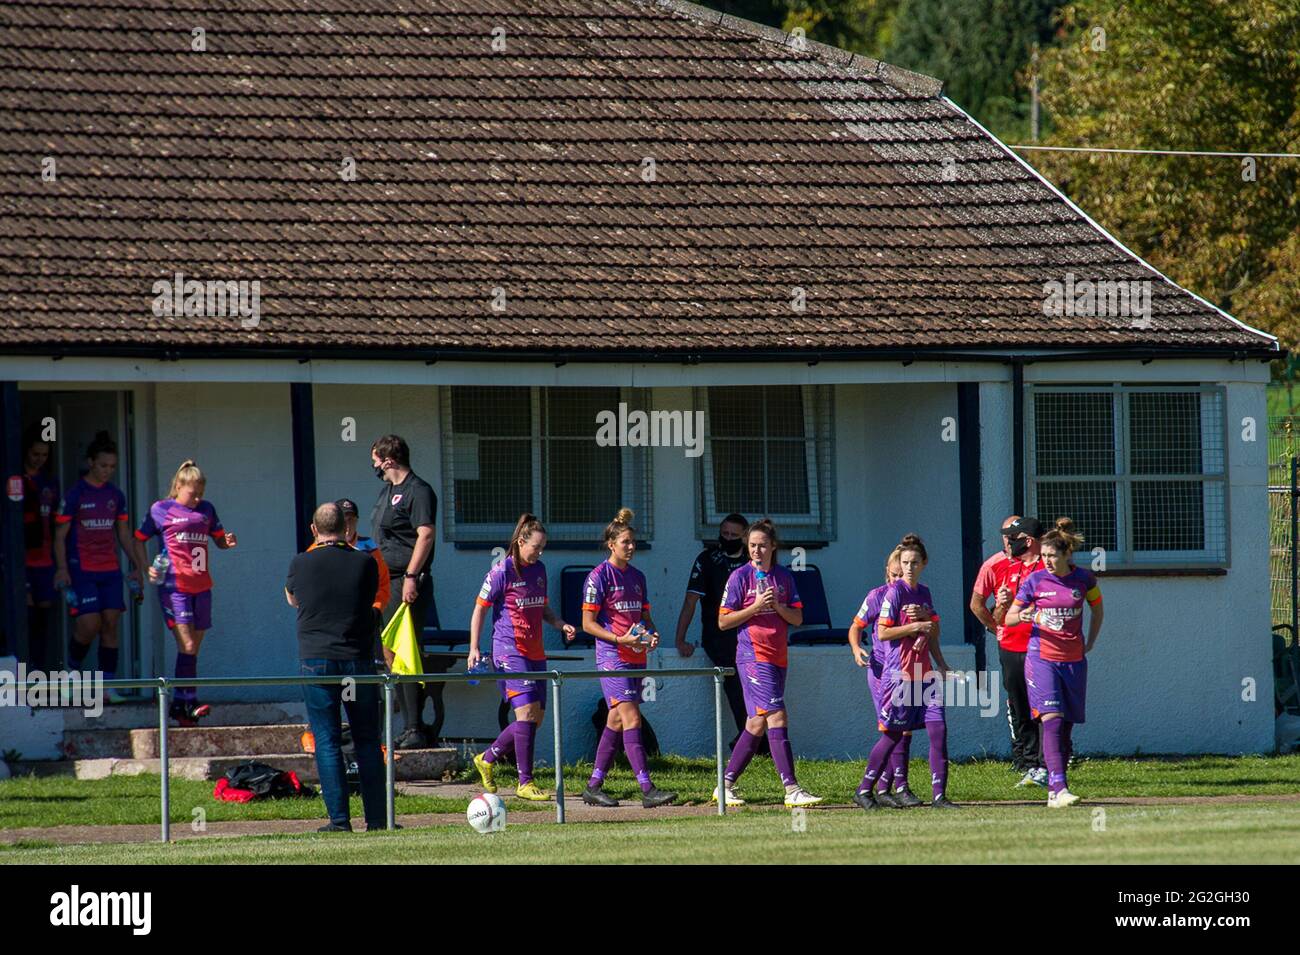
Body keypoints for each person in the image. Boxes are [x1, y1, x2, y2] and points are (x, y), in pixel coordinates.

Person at [285, 502, 385, 832]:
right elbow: (370, 601)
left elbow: (292, 599)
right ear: (346, 528)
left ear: (314, 530)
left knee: (326, 740)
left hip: (316, 659)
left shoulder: (300, 562)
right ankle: (377, 820)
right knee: (367, 740)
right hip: (356, 660)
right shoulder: (364, 562)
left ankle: (339, 821)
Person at [715, 518, 823, 809]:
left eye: (762, 545)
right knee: (777, 717)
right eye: (752, 545)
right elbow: (723, 621)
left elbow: (798, 619)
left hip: (778, 656)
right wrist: (754, 607)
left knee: (757, 722)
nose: (756, 550)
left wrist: (776, 606)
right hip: (752, 655)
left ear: (773, 546)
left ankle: (724, 785)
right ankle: (791, 788)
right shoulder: (739, 577)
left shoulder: (785, 577)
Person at [468, 513, 576, 802]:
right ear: (520, 542)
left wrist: (560, 624)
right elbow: (480, 609)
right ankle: (524, 782)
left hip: (535, 652)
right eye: (536, 547)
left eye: (543, 548)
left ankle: (487, 758)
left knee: (535, 718)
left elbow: (543, 609)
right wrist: (474, 647)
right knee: (526, 715)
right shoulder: (501, 571)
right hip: (508, 650)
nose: (539, 553)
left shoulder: (539, 570)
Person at [581, 508, 677, 809]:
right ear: (611, 544)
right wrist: (620, 639)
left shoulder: (638, 577)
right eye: (625, 542)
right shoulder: (598, 577)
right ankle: (648, 789)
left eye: (633, 542)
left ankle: (593, 785)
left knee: (616, 720)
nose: (631, 547)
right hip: (613, 656)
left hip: (636, 656)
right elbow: (588, 624)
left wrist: (652, 634)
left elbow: (644, 616)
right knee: (632, 717)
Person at [1005, 517, 1103, 808]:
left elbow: (1098, 611)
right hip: (1041, 658)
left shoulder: (1085, 579)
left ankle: (1057, 786)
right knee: (1051, 720)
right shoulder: (1034, 581)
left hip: (1073, 661)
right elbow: (1009, 617)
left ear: (1067, 555)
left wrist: (1091, 641)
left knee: (1066, 726)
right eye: (1044, 555)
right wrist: (1031, 616)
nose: (1046, 561)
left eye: (1052, 556)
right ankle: (1057, 788)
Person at [855, 533, 957, 810]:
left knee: (939, 729)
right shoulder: (894, 593)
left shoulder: (924, 592)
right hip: (899, 674)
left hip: (924, 674)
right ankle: (865, 789)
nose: (909, 567)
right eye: (905, 562)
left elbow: (933, 630)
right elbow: (883, 631)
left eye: (914, 562)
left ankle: (939, 796)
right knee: (894, 735)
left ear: (923, 563)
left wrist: (941, 662)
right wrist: (915, 627)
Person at [132, 460, 236, 726]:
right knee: (186, 645)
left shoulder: (207, 509)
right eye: (193, 493)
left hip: (202, 585)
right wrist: (146, 569)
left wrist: (227, 542)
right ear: (178, 486)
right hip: (175, 586)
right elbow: (138, 539)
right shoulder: (161, 509)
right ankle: (187, 702)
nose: (197, 498)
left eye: (201, 492)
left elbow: (219, 539)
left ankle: (181, 704)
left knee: (192, 650)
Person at [54, 432, 143, 698]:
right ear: (91, 462)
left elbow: (124, 533)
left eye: (112, 467)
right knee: (88, 624)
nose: (108, 471)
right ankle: (70, 672)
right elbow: (59, 536)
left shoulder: (116, 495)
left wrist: (137, 564)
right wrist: (62, 568)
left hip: (110, 570)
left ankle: (107, 687)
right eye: (103, 465)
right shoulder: (75, 494)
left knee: (110, 623)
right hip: (82, 568)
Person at [369, 434, 437, 749]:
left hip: (406, 581)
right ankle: (409, 724)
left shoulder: (418, 491)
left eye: (376, 461)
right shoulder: (388, 491)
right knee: (388, 651)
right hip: (386, 580)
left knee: (405, 650)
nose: (374, 466)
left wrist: (411, 575)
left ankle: (415, 727)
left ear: (390, 460)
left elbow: (425, 535)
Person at [971, 515, 1048, 786]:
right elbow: (980, 605)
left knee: (1045, 703)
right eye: (1005, 536)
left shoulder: (1044, 564)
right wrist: (996, 625)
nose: (1007, 541)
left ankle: (1046, 762)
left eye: (1012, 536)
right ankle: (1028, 761)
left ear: (1027, 540)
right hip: (1011, 644)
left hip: (1040, 645)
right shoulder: (995, 564)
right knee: (1018, 703)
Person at [848, 547, 921, 807]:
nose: (897, 579)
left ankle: (886, 788)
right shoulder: (878, 596)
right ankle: (887, 787)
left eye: (901, 574)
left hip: (907, 670)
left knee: (904, 730)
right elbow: (856, 626)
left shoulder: (912, 595)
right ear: (886, 573)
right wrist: (857, 649)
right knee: (892, 729)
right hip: (882, 671)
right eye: (893, 574)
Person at [673, 513, 752, 744]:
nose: (728, 538)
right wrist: (680, 639)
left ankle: (750, 742)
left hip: (751, 635)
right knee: (735, 686)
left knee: (757, 689)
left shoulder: (752, 558)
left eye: (734, 535)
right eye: (724, 533)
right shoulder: (707, 559)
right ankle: (753, 744)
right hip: (719, 636)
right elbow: (690, 602)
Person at [21, 425, 59, 670]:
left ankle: (40, 670)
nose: (39, 459)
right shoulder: (13, 479)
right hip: (22, 559)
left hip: (46, 558)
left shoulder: (49, 481)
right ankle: (23, 669)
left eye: (44, 455)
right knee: (26, 614)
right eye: (35, 454)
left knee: (44, 619)